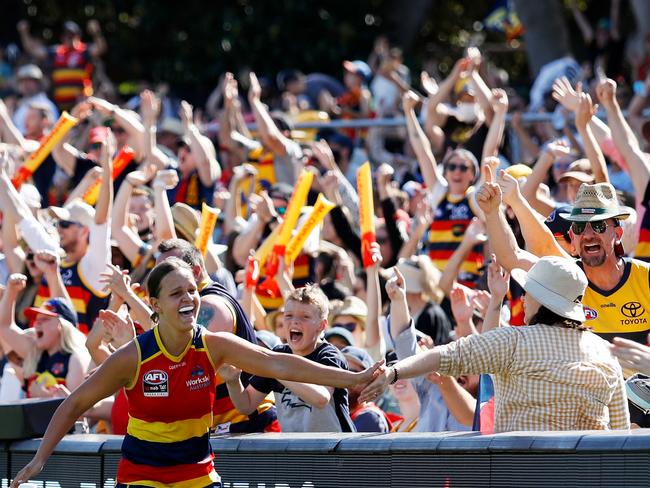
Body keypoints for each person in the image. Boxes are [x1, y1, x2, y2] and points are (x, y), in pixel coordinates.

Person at [10, 258, 380, 487]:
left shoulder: (213, 344)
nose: (188, 299)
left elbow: (280, 363)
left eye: (192, 290)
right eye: (176, 293)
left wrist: (351, 379)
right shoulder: (133, 357)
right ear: (154, 304)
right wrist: (41, 458)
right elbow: (74, 404)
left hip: (198, 475)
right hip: (143, 477)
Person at [361, 256, 630, 432]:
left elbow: (446, 355)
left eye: (527, 293)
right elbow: (620, 434)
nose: (523, 299)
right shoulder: (606, 353)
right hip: (589, 478)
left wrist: (394, 372)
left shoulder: (516, 341)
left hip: (519, 474)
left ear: (541, 300)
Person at [220, 285, 356, 432]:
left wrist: (279, 371)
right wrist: (232, 381)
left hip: (336, 449)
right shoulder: (278, 355)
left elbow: (321, 398)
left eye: (305, 317)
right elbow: (246, 406)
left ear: (322, 325)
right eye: (289, 315)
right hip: (294, 450)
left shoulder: (329, 356)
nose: (295, 322)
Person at [0, 275, 90, 399]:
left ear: (62, 326)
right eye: (36, 319)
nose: (36, 323)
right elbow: (4, 326)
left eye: (45, 319)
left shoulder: (75, 360)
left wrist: (43, 398)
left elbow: (79, 412)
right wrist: (11, 290)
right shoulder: (34, 352)